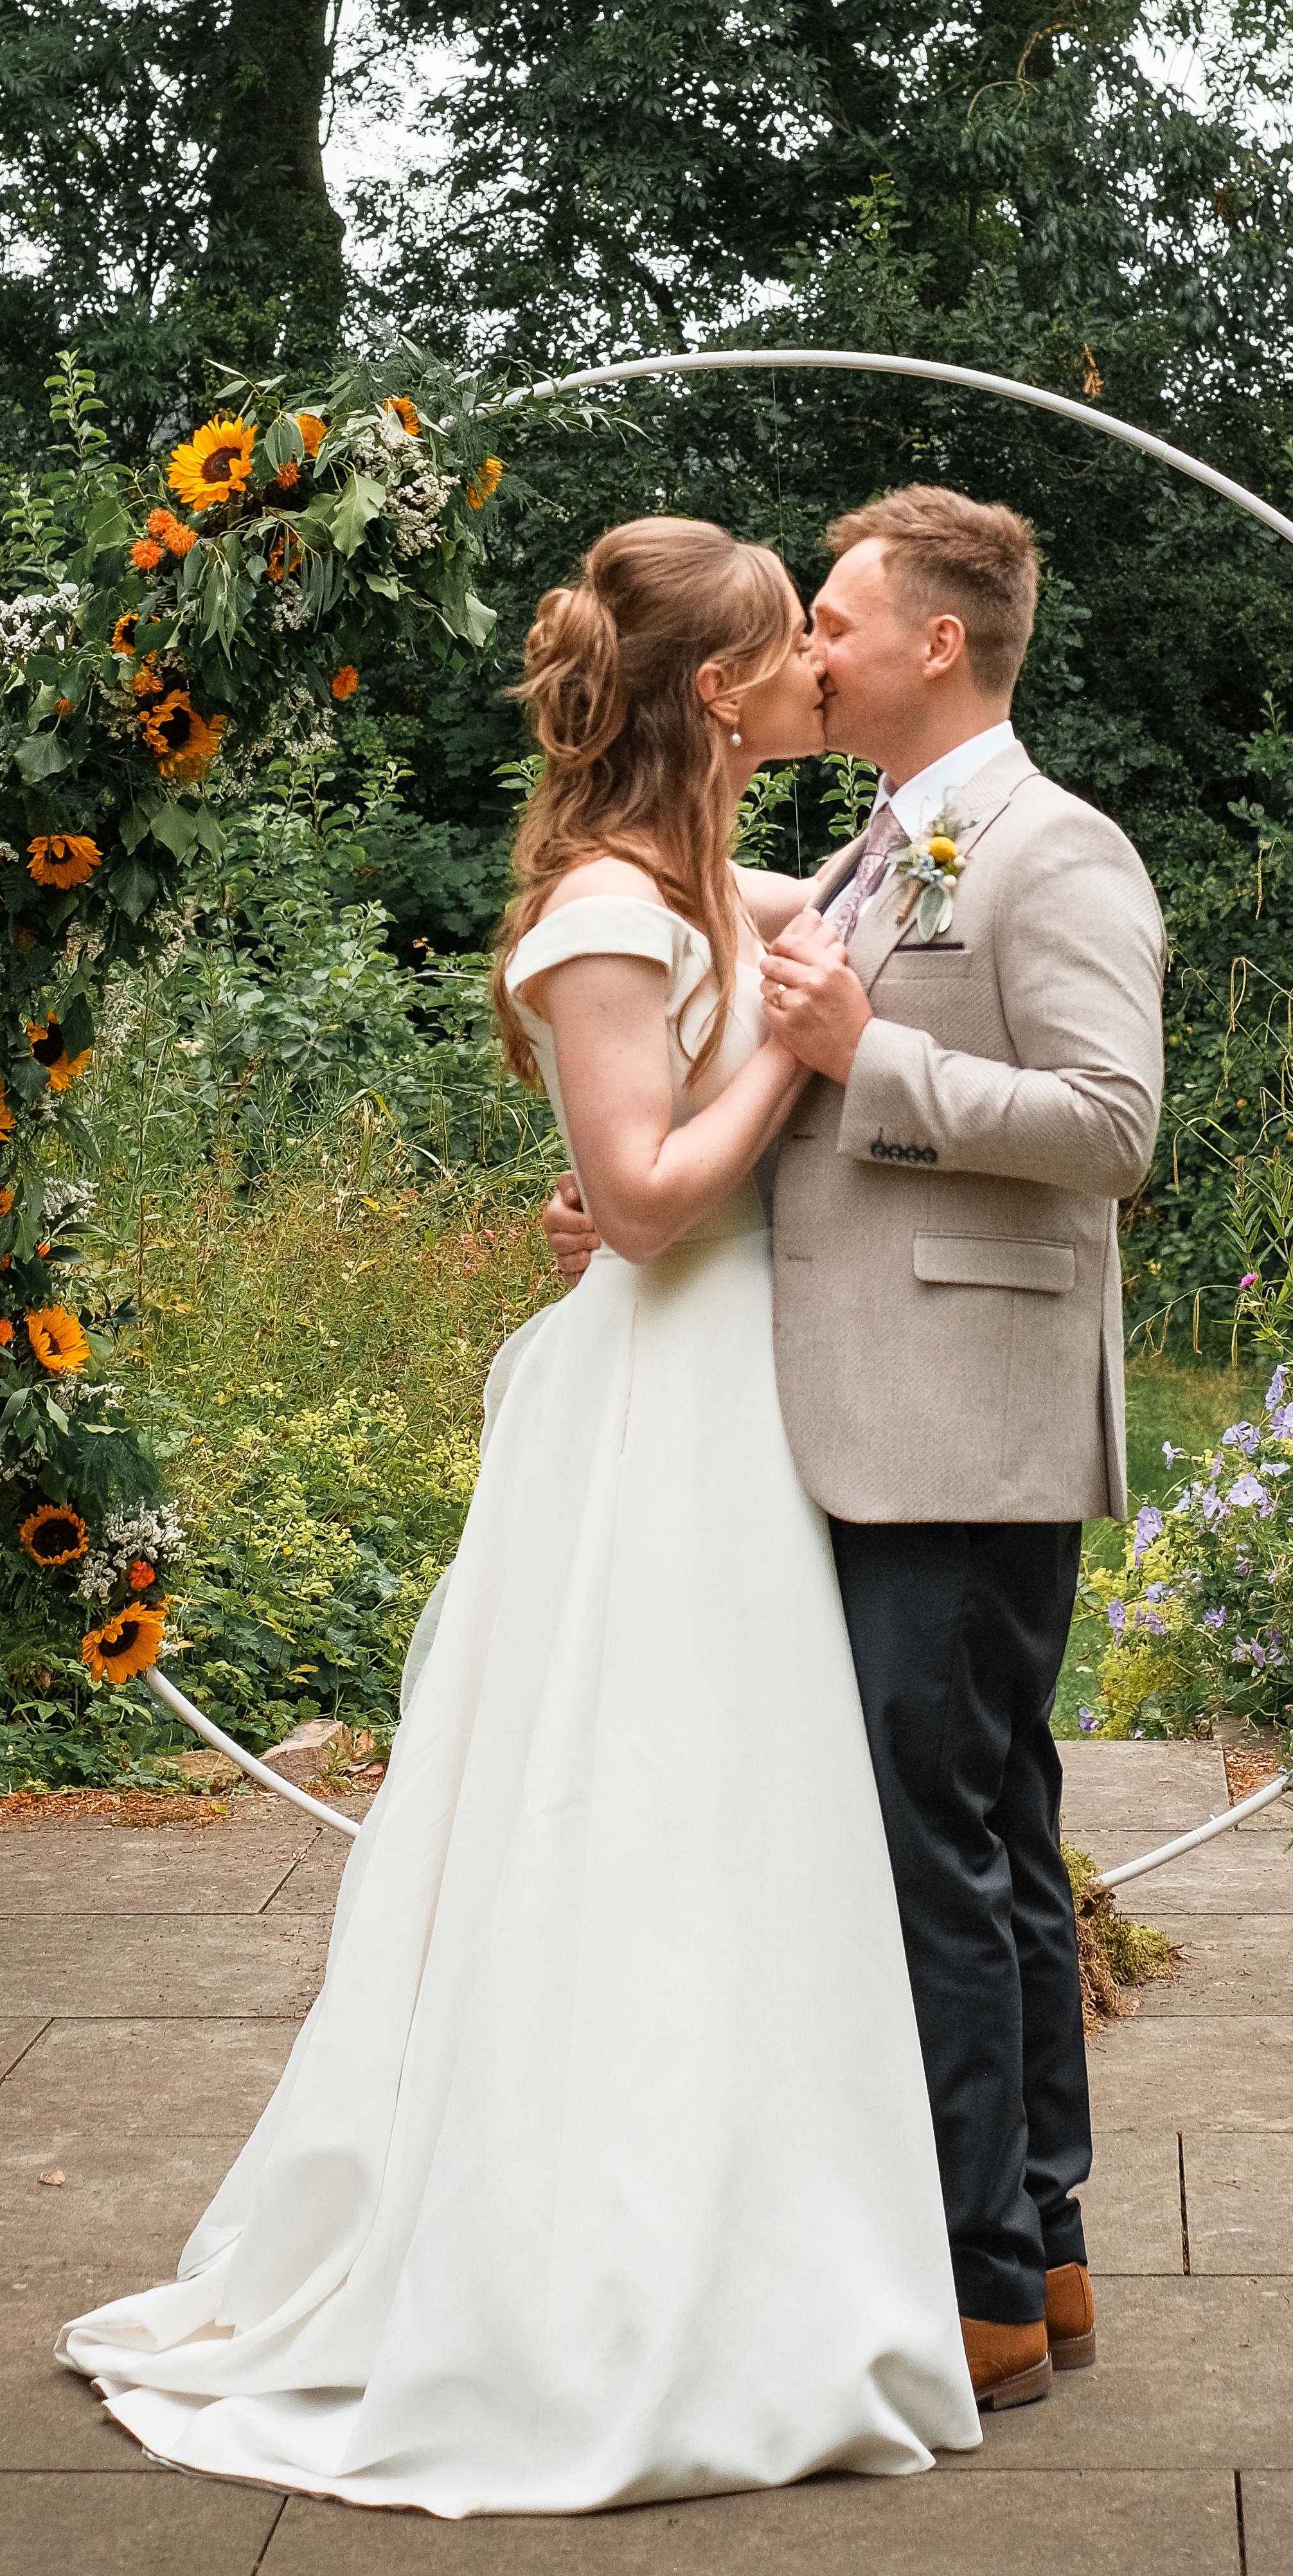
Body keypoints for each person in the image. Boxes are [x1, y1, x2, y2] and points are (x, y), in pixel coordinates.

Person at [58, 518, 980, 2511]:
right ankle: (570, 2286)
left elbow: (693, 1109)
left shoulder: (740, 880)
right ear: (722, 691)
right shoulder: (594, 917)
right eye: (789, 641)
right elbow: (645, 1196)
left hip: (751, 1400)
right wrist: (800, 1085)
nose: (829, 661)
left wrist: (798, 1039)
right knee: (620, 1813)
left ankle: (761, 2248)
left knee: (744, 1831)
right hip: (655, 1409)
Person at [546, 485, 1165, 2411]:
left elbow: (1105, 1126)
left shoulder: (1056, 852)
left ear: (937, 648)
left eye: (835, 616)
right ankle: (1039, 2253)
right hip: (862, 1418)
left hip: (961, 1433)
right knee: (991, 1844)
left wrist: (859, 1060)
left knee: (944, 1861)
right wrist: (644, 1204)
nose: (809, 646)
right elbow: (738, 1055)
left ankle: (983, 2284)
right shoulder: (874, 853)